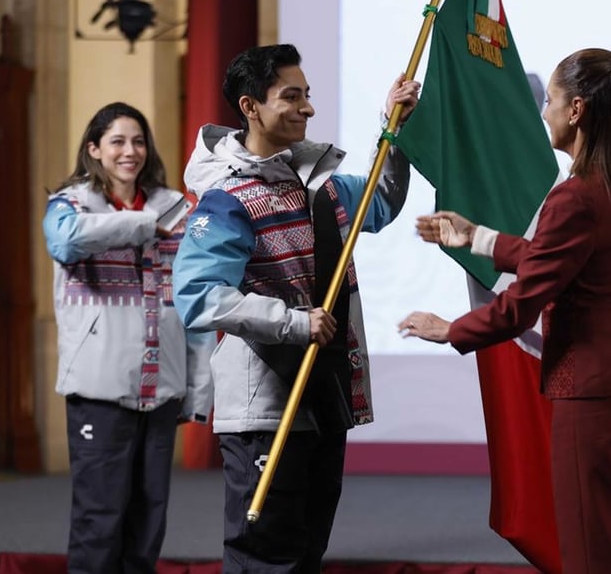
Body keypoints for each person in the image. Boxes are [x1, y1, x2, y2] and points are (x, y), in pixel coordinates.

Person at [399, 48, 611, 574]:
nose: (541, 112)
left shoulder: (575, 197)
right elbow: (570, 262)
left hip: (593, 399)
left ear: (576, 111)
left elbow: (521, 307)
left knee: (595, 558)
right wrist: (477, 237)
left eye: (548, 100)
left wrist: (451, 329)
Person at [172, 43, 419, 573]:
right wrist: (292, 323)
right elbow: (197, 295)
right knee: (265, 558)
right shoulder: (226, 198)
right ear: (250, 107)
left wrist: (392, 127)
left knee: (306, 553)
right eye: (291, 96)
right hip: (265, 407)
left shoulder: (321, 186)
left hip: (323, 398)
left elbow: (383, 200)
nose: (307, 108)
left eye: (308, 95)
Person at [42, 101, 214, 574]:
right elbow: (64, 242)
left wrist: (197, 391)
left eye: (138, 141)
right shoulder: (70, 204)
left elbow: (192, 303)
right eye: (117, 141)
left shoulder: (174, 207)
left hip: (161, 392)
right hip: (99, 391)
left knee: (147, 522)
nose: (130, 151)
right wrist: (141, 224)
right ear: (94, 148)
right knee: (99, 522)